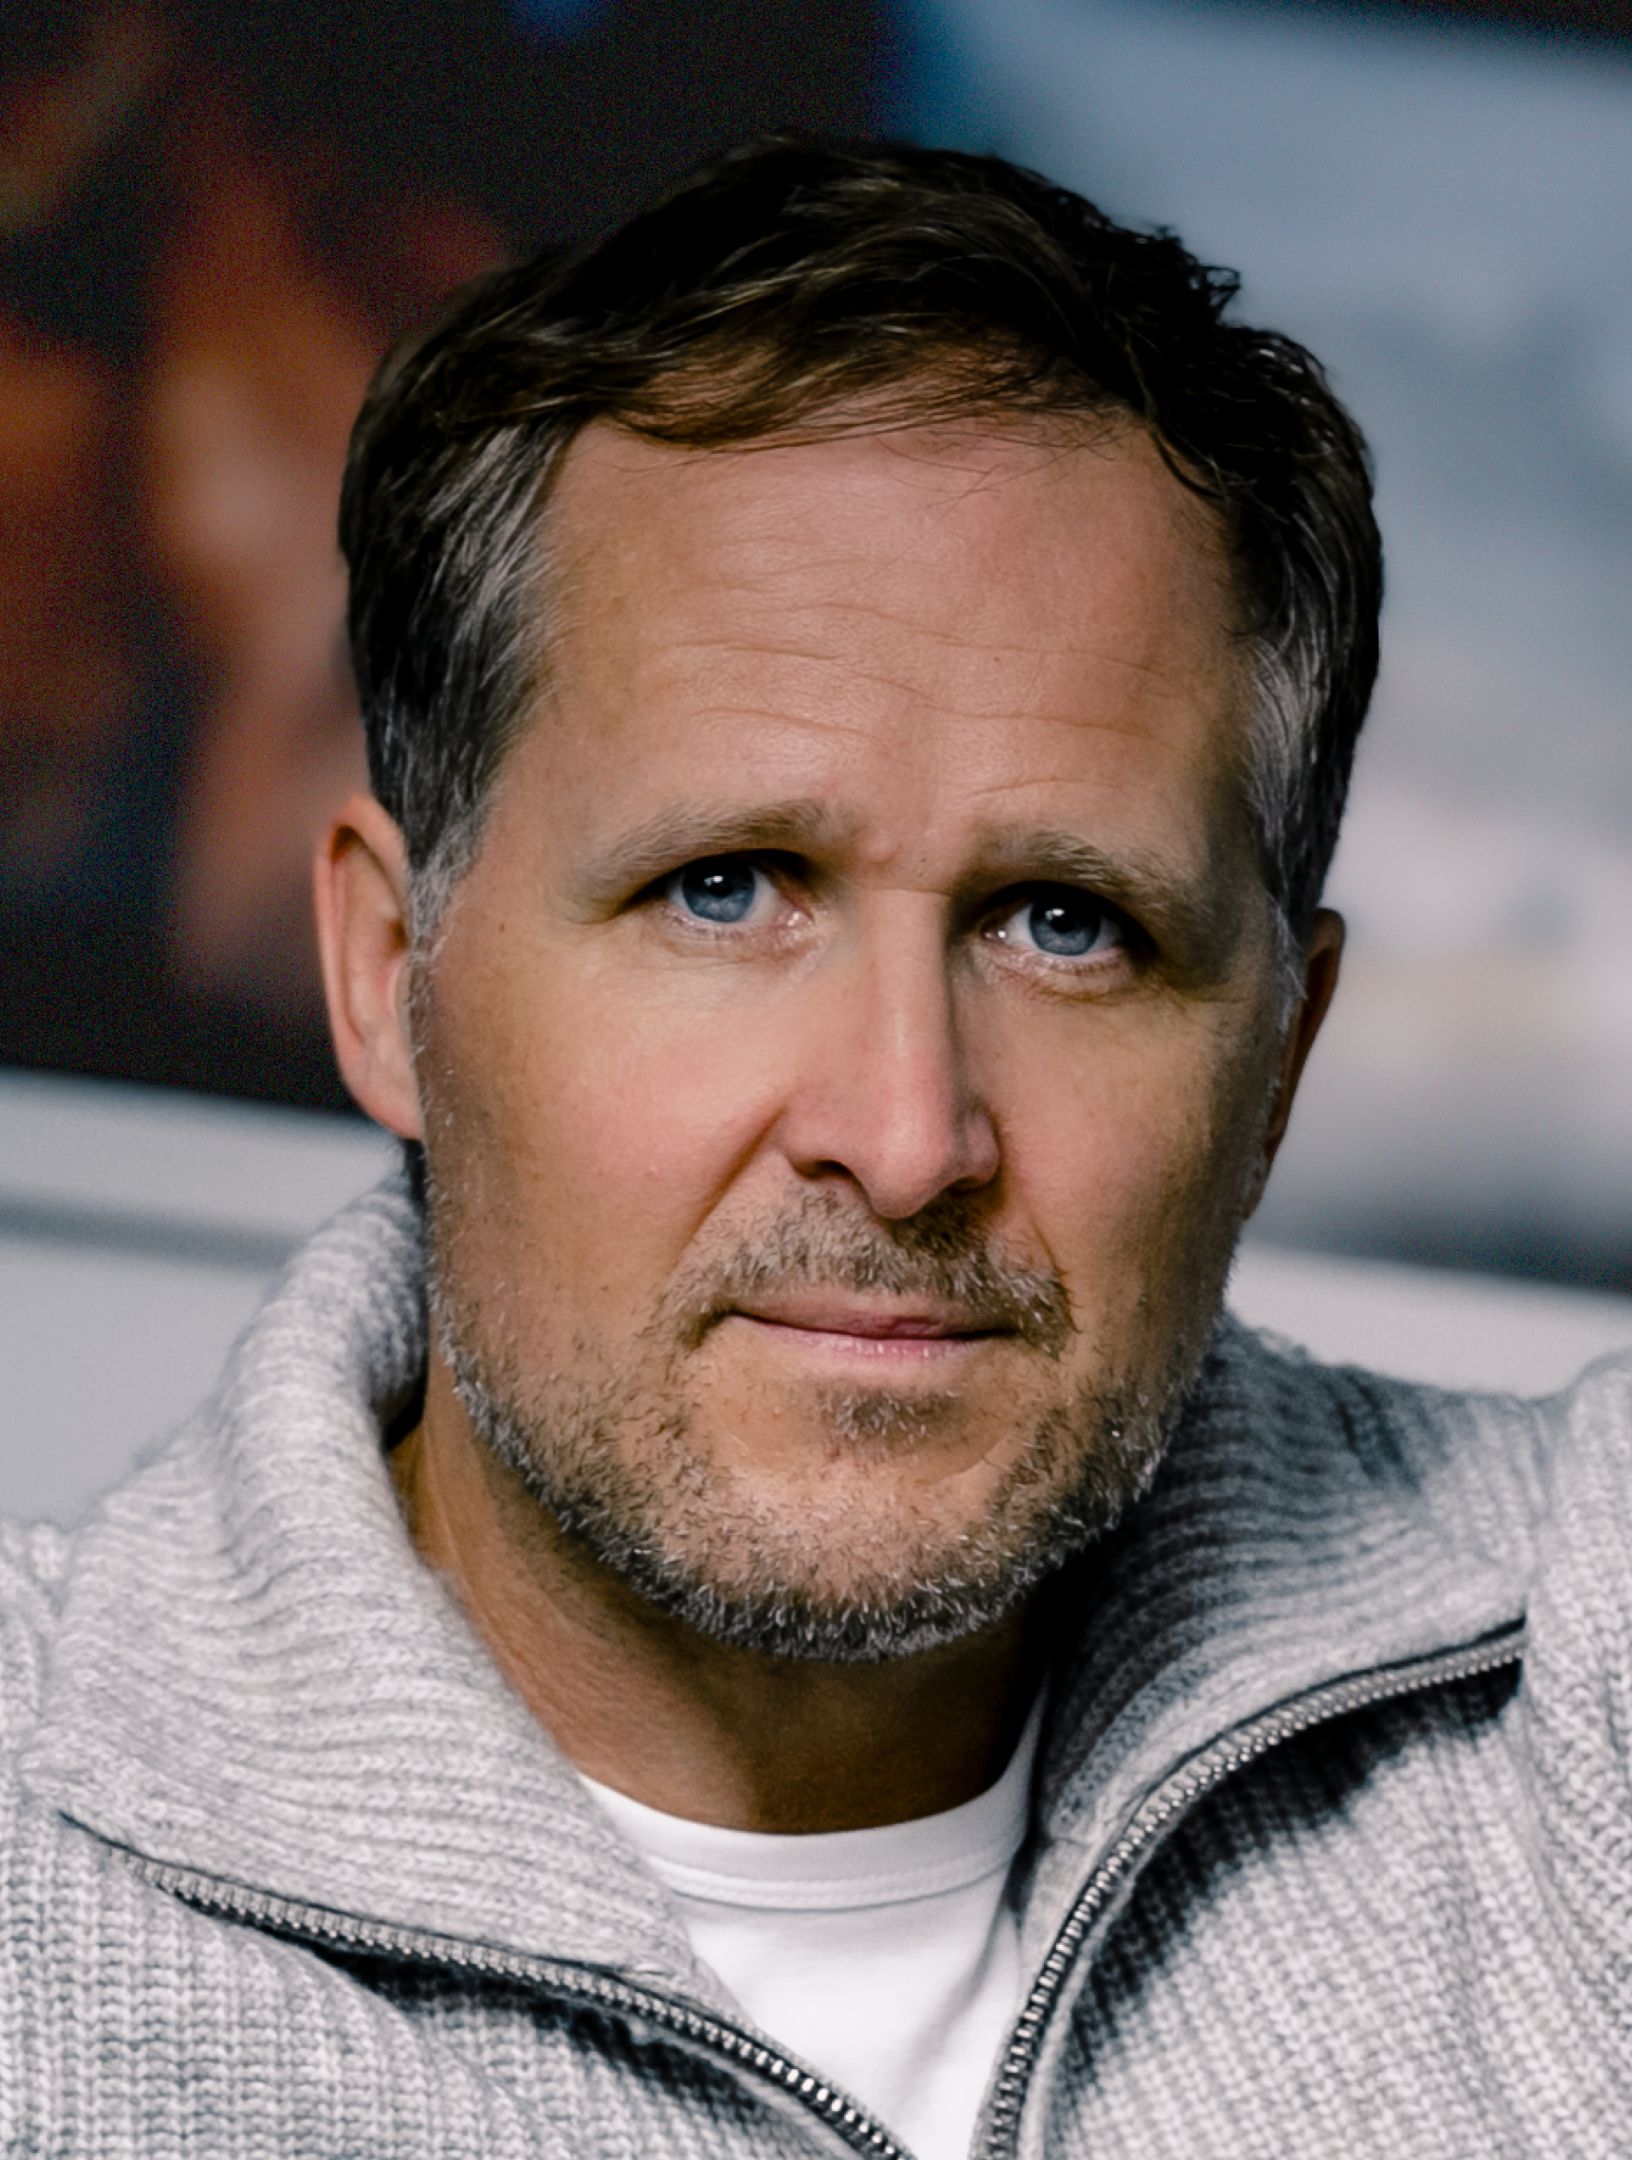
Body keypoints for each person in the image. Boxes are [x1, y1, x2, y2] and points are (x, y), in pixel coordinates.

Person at [2, 134, 1628, 2159]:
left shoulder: (1584, 1679)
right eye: (726, 889)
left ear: (1279, 1061)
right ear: (389, 974)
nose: (906, 1135)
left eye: (1067, 924)